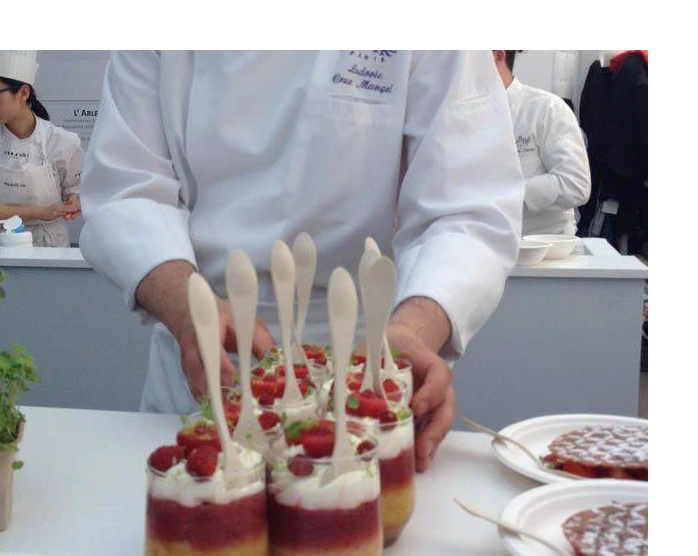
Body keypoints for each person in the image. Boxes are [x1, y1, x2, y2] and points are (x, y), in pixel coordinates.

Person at [80, 51, 524, 472]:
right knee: (199, 512)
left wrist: (414, 330)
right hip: (206, 370)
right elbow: (126, 186)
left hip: (369, 372)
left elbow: (468, 207)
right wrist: (185, 304)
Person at [0, 50, 84, 247]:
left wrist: (76, 201)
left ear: (23, 93)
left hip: (50, 245)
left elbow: (78, 191)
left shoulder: (62, 141)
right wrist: (40, 212)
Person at [493, 50, 591, 236]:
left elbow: (575, 183)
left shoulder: (547, 109)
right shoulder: (461, 116)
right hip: (481, 243)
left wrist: (509, 193)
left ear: (497, 56)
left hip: (546, 245)